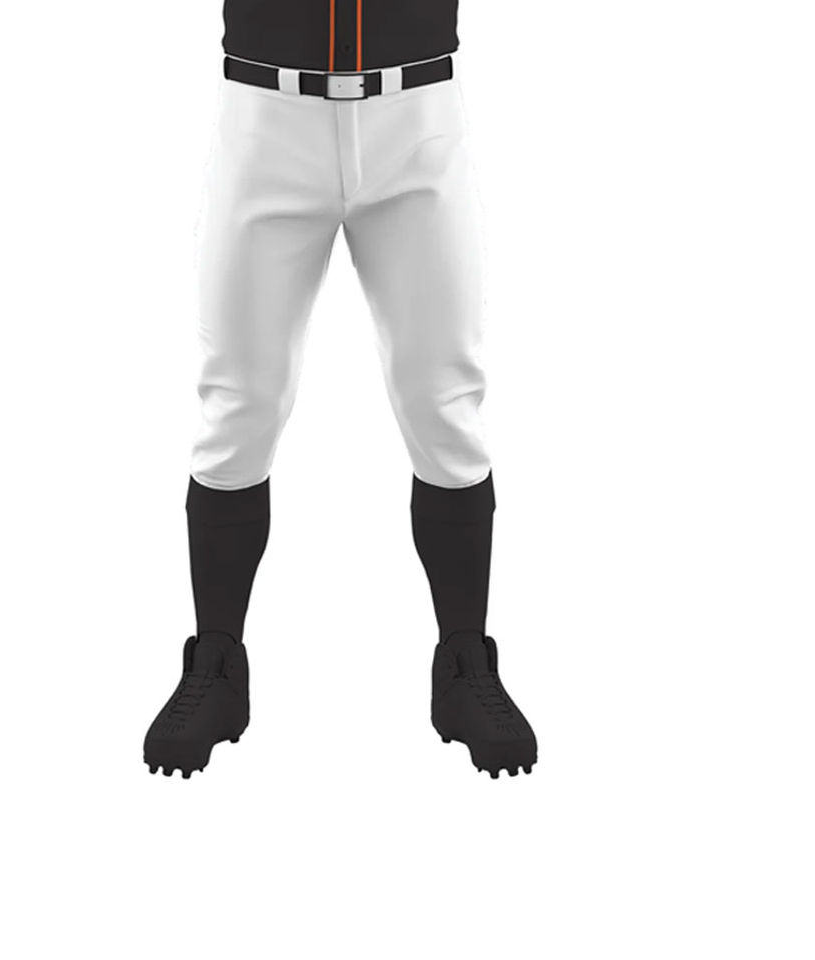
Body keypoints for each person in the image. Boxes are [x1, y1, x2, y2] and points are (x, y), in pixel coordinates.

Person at [143, 1, 537, 779]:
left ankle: (465, 662)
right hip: (266, 112)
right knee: (239, 398)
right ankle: (215, 662)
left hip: (415, 112)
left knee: (443, 394)